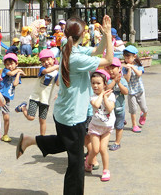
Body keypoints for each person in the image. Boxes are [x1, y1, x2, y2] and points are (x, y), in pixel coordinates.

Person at [16, 15, 113, 195]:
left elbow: (98, 51)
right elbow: (107, 60)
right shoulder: (75, 58)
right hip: (72, 116)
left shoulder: (69, 48)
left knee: (64, 142)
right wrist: (107, 33)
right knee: (76, 164)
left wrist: (106, 38)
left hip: (64, 113)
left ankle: (30, 140)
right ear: (82, 35)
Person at [15, 48, 59, 135]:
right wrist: (58, 66)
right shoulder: (42, 69)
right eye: (43, 61)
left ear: (53, 59)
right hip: (35, 97)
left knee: (42, 120)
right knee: (30, 117)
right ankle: (23, 107)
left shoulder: (56, 73)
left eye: (48, 59)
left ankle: (42, 138)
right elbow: (46, 71)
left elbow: (58, 84)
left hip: (46, 100)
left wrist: (59, 93)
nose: (46, 62)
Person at [85, 70, 115, 182]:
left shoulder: (111, 95)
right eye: (93, 83)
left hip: (107, 127)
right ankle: (88, 161)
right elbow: (97, 105)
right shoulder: (92, 96)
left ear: (105, 84)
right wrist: (102, 94)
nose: (95, 86)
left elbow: (110, 108)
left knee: (103, 149)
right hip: (95, 127)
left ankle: (106, 170)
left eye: (98, 83)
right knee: (95, 149)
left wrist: (105, 97)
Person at [0, 53, 25, 142]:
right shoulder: (6, 71)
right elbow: (11, 73)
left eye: (11, 63)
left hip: (6, 98)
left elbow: (15, 84)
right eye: (7, 64)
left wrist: (18, 74)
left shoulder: (16, 73)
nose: (9, 66)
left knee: (6, 117)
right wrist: (19, 70)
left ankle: (5, 134)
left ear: (16, 64)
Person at [123, 45, 148, 133]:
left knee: (144, 108)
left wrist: (133, 67)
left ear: (134, 56)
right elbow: (127, 79)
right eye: (125, 57)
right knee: (133, 109)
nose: (126, 59)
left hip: (140, 90)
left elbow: (139, 74)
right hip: (131, 91)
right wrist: (128, 69)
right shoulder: (125, 68)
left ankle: (143, 115)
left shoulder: (139, 65)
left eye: (128, 57)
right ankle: (134, 125)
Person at [105, 57, 128, 151]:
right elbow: (107, 89)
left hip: (119, 108)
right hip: (108, 109)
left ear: (119, 69)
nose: (111, 71)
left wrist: (119, 83)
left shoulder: (122, 80)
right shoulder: (107, 80)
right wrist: (114, 81)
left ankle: (117, 142)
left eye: (113, 68)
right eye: (108, 68)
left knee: (119, 126)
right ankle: (105, 141)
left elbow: (126, 92)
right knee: (107, 126)